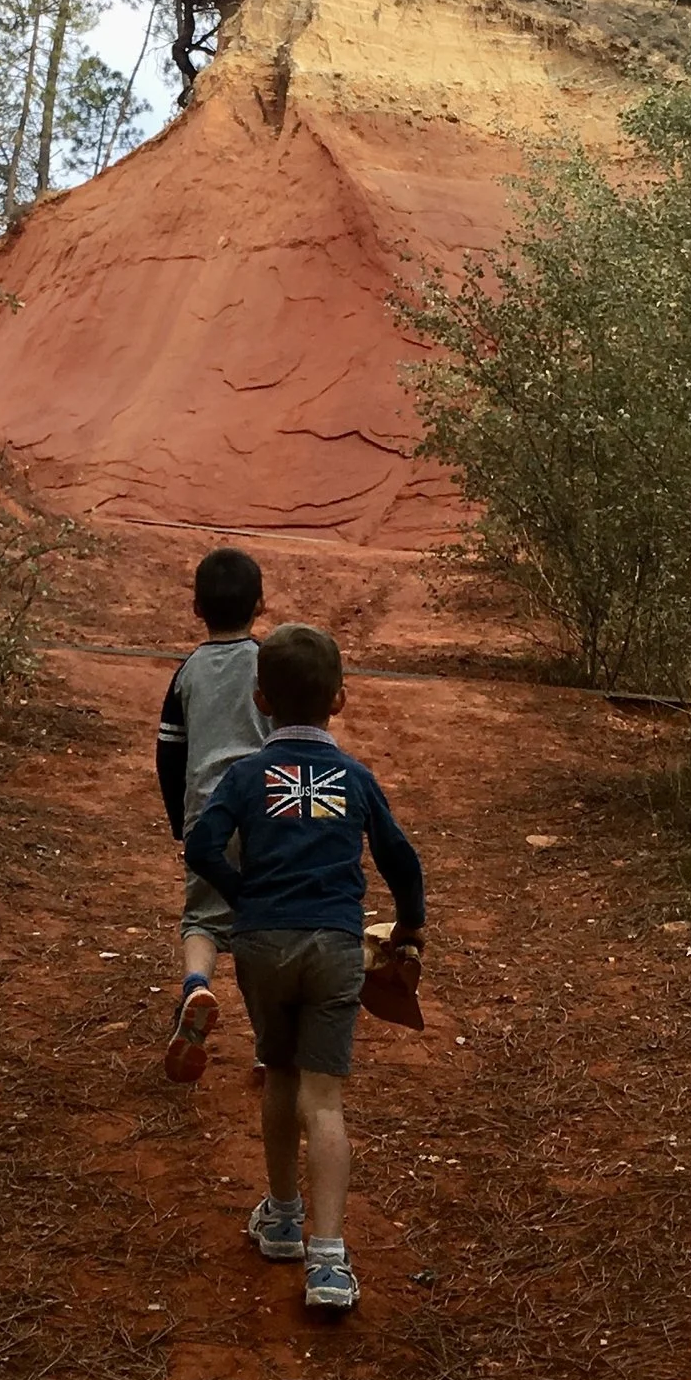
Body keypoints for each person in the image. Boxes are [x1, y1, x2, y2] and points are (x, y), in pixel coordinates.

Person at [184, 621, 426, 1317]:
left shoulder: (246, 774)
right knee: (324, 1096)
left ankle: (282, 1218)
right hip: (335, 944)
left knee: (278, 1071)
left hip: (261, 944)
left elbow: (202, 845)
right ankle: (327, 1259)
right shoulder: (355, 776)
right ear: (340, 700)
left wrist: (243, 898)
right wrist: (409, 926)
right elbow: (401, 859)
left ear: (260, 698)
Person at [154, 544, 266, 1083]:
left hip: (208, 813)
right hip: (270, 812)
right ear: (260, 606)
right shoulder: (272, 664)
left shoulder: (188, 673)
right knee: (262, 921)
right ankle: (270, 1044)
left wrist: (182, 819)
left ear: (196, 608)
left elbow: (169, 751)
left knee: (201, 916)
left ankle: (197, 985)